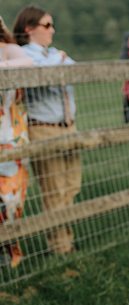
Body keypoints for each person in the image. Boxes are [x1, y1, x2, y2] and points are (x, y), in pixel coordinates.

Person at [13, 6, 80, 255]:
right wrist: (59, 59)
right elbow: (42, 73)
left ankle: (67, 239)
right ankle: (60, 247)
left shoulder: (52, 54)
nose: (53, 30)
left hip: (68, 125)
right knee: (54, 189)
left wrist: (58, 59)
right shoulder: (22, 54)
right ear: (30, 29)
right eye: (47, 25)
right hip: (44, 128)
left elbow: (74, 70)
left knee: (72, 185)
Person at [0, 15, 32, 267]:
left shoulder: (9, 49)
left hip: (8, 136)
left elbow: (27, 63)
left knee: (10, 199)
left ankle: (9, 251)